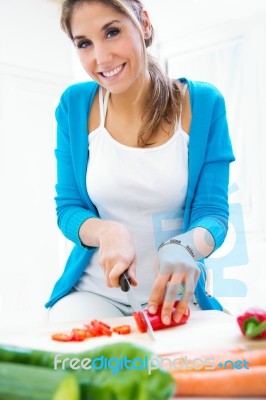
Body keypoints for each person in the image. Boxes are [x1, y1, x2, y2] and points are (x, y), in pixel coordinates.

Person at [45, 0, 235, 324]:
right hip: (94, 295)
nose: (101, 58)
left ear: (144, 24)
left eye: (112, 32)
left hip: (176, 299)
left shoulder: (203, 104)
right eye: (84, 43)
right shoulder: (74, 105)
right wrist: (106, 231)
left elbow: (213, 215)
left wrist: (185, 246)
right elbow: (69, 208)